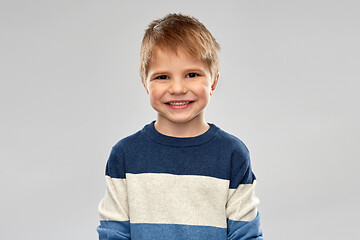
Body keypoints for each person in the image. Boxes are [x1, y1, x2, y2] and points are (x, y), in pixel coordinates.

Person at [96, 13, 263, 240]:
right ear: (145, 83)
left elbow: (246, 234)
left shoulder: (232, 154)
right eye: (163, 77)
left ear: (213, 81)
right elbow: (113, 233)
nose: (177, 88)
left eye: (192, 74)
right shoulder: (125, 155)